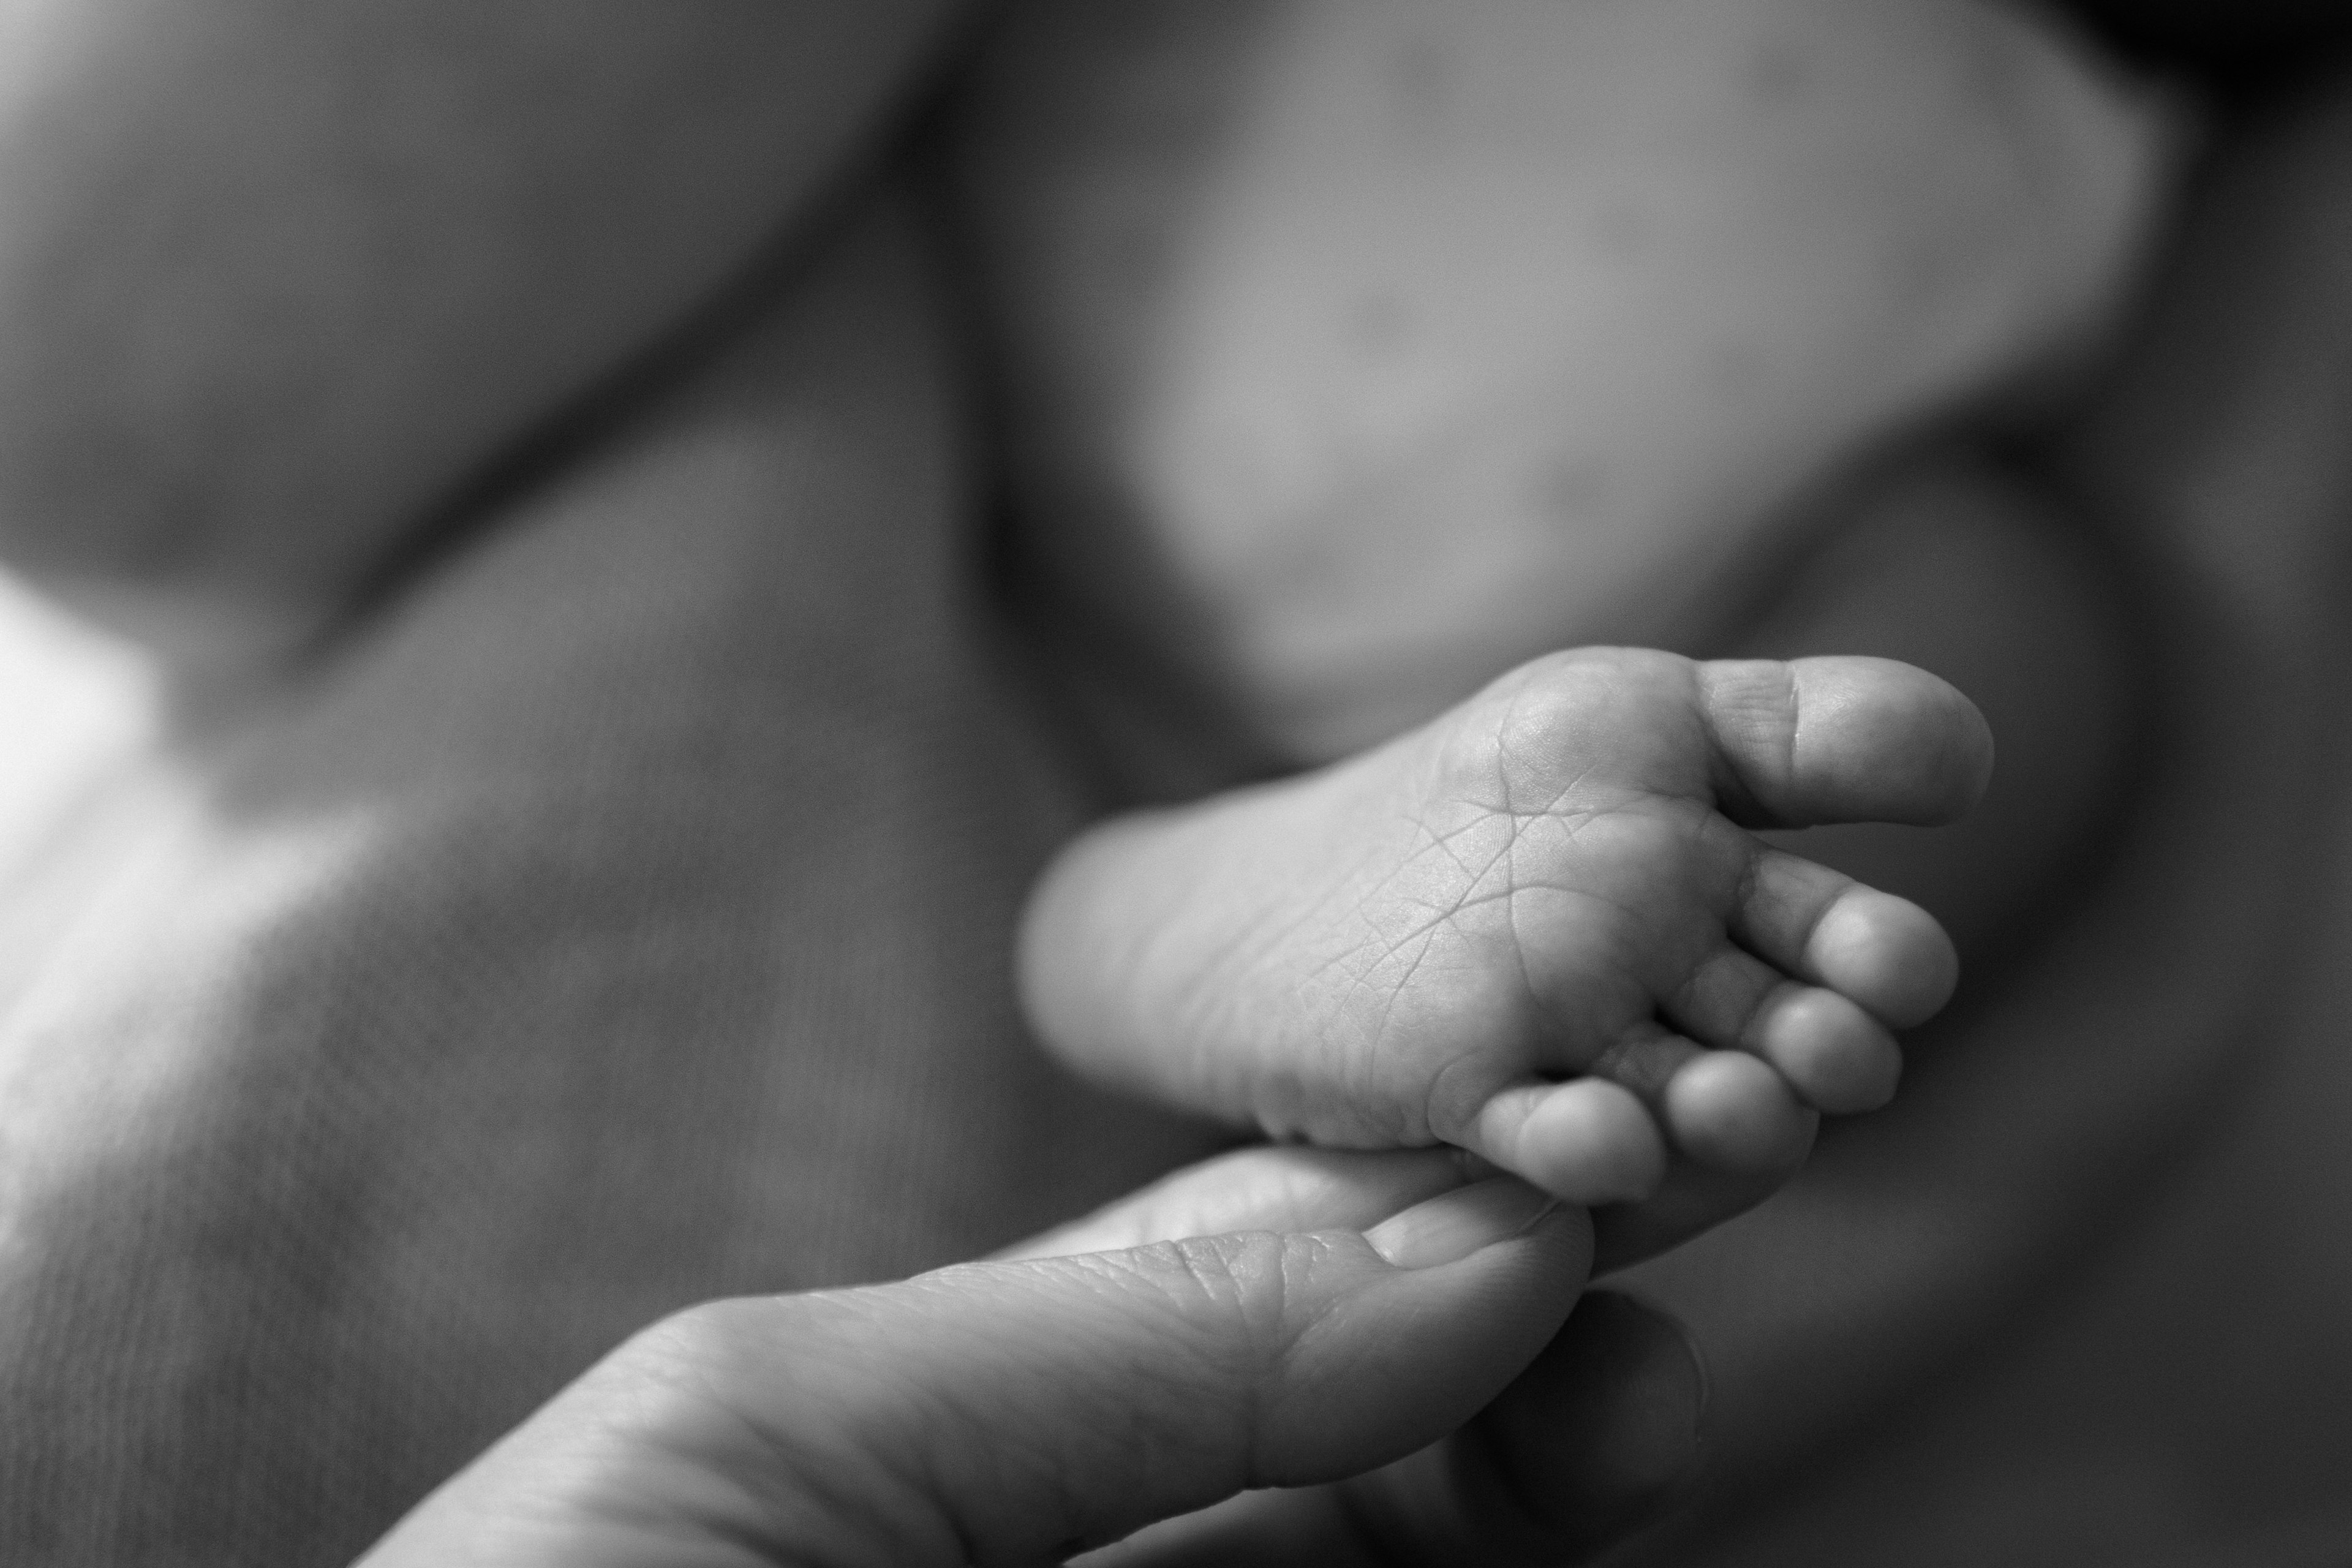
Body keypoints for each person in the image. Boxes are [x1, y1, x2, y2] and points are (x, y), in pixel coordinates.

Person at [0, 3, 2345, 1564]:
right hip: (940, 472)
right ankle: (1253, 910)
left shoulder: (2119, 141)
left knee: (2009, 666)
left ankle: (1317, 904)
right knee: (1074, 859)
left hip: (1417, 688)